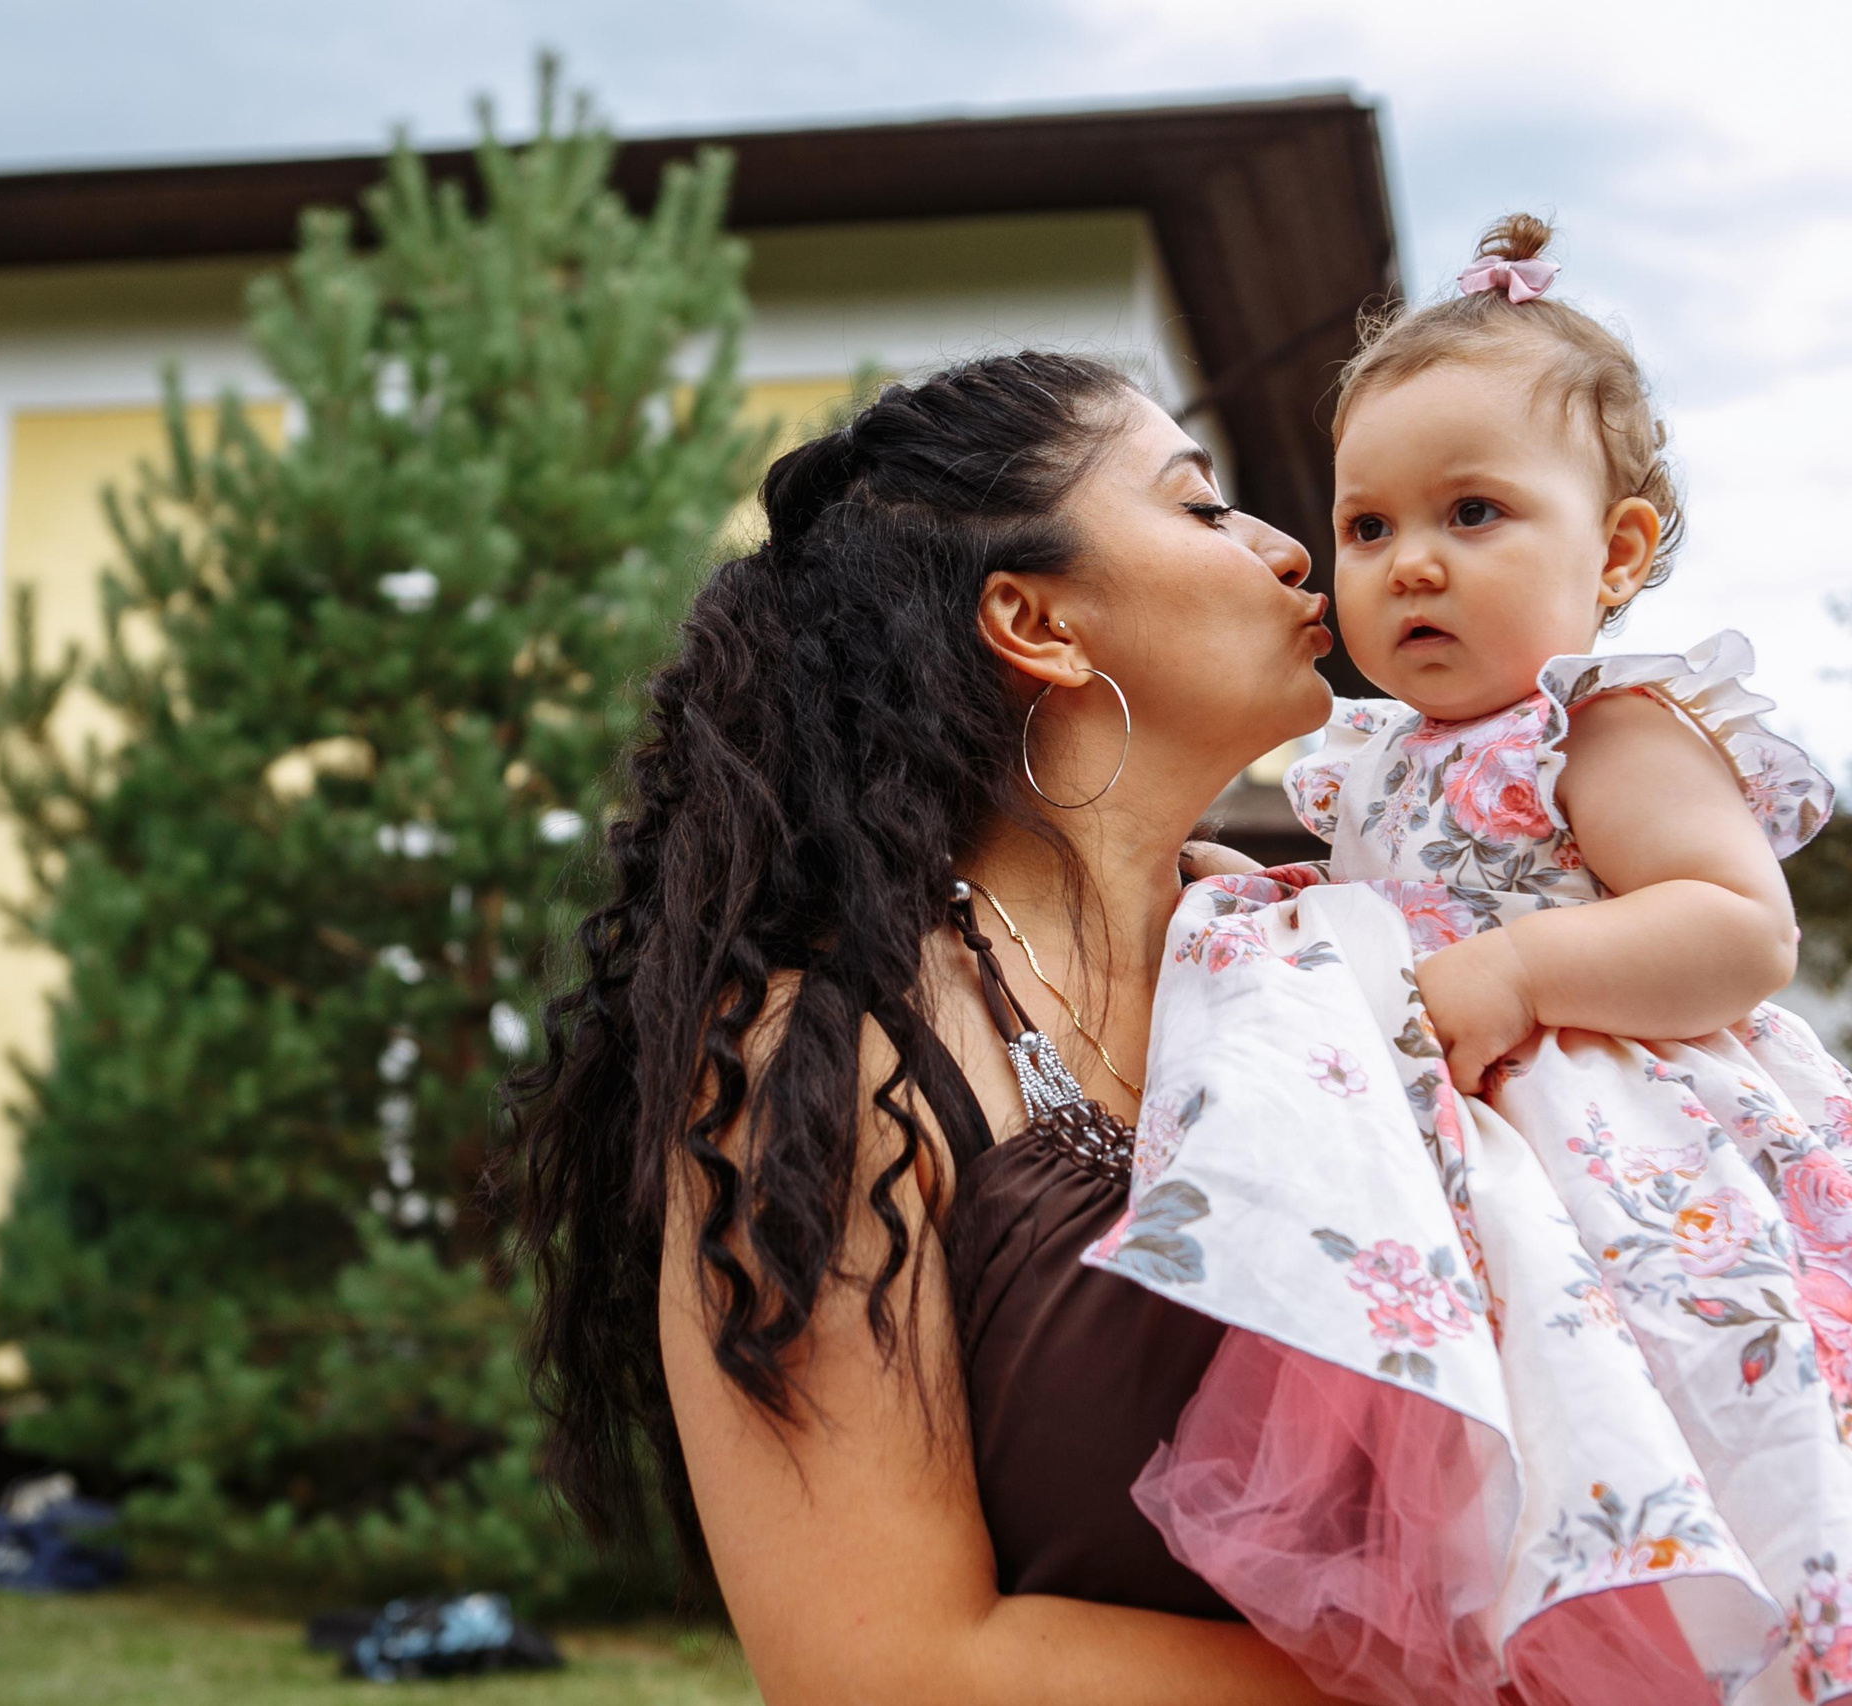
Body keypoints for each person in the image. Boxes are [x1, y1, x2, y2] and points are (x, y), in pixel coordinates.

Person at [1093, 217, 1852, 1706]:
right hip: (1522, 1216)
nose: (1411, 562)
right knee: (1566, 1469)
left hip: (1680, 1190)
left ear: (1612, 554)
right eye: (1369, 528)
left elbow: (1741, 930)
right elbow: (1387, 923)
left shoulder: (1600, 725)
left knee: (1751, 1448)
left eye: (1474, 513)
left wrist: (1532, 968)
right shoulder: (1370, 764)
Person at [502, 351, 1358, 1703]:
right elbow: (884, 1666)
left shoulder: (1331, 954)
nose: (1291, 548)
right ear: (1040, 622)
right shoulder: (825, 1061)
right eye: (1201, 509)